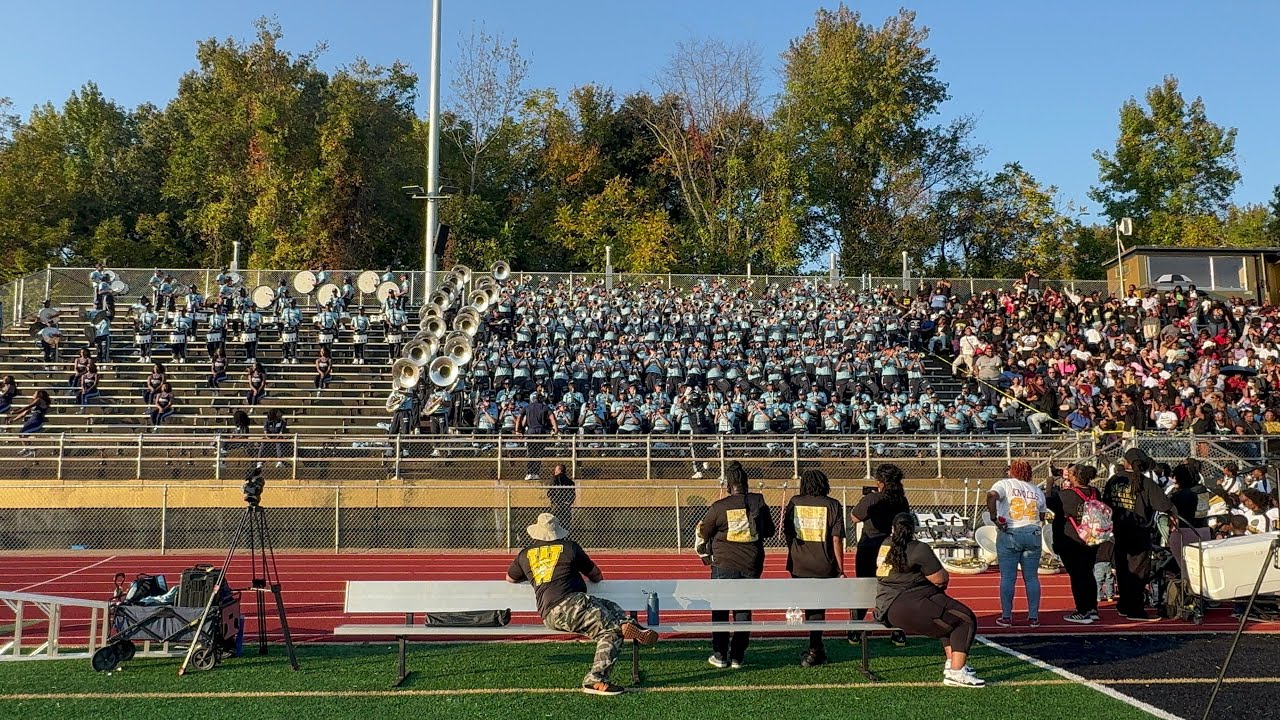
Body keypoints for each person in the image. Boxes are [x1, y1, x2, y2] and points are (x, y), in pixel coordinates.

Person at [506, 513, 657, 696]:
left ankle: (629, 624)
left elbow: (510, 578)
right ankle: (595, 680)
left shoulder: (525, 554)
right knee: (611, 632)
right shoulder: (569, 548)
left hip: (550, 614)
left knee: (609, 605)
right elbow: (596, 575)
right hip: (573, 604)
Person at [875, 512, 984, 688]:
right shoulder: (919, 548)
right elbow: (940, 578)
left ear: (893, 529)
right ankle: (956, 672)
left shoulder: (885, 544)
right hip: (910, 603)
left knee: (946, 620)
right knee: (965, 619)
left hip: (887, 608)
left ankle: (952, 664)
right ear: (913, 529)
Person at [696, 460, 775, 670]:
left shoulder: (719, 506)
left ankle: (720, 654)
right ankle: (738, 656)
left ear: (729, 486)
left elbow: (704, 532)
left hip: (724, 563)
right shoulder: (759, 502)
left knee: (720, 609)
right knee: (743, 609)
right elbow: (769, 531)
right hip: (751, 562)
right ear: (746, 484)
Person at [782, 468, 845, 667]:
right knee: (817, 607)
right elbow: (836, 539)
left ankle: (815, 648)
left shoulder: (795, 502)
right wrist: (841, 568)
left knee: (811, 605)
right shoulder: (833, 504)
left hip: (800, 564)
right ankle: (815, 648)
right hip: (824, 564)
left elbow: (788, 534)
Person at [1102, 447, 1172, 621]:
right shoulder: (1146, 483)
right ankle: (1135, 609)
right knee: (1139, 572)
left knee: (1123, 571)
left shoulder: (1114, 480)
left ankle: (1124, 605)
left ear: (1125, 462)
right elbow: (1164, 505)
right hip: (1139, 533)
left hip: (1118, 531)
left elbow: (1106, 503)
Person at [848, 463, 910, 646]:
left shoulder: (873, 498)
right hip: (892, 547)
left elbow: (854, 517)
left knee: (864, 587)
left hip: (869, 547)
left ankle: (856, 630)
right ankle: (897, 630)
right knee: (892, 588)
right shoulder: (901, 500)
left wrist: (868, 499)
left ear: (879, 482)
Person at [987, 460, 1046, 627]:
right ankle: (1033, 616)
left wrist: (994, 518)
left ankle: (1007, 616)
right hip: (1033, 532)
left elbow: (991, 495)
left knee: (1007, 577)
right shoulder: (1036, 490)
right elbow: (1041, 516)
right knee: (1032, 578)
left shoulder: (1004, 484)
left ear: (1012, 471)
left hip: (1011, 531)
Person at [1047, 464, 1102, 624]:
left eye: (1070, 473)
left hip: (1072, 540)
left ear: (1076, 476)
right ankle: (1092, 608)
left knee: (1077, 576)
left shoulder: (1066, 495)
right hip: (1091, 539)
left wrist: (1050, 485)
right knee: (1088, 573)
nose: (1067, 475)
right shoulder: (1094, 492)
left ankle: (1082, 610)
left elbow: (1048, 503)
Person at [517, 392, 558, 481]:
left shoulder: (527, 407)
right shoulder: (545, 407)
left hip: (531, 431)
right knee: (539, 453)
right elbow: (552, 418)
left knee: (531, 453)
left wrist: (518, 430)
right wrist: (555, 429)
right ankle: (535, 473)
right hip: (541, 432)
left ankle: (529, 473)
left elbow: (519, 417)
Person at [548, 463, 575, 529]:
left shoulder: (555, 478)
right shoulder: (570, 482)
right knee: (566, 524)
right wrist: (568, 502)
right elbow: (573, 494)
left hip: (557, 504)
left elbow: (550, 492)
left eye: (556, 470)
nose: (555, 472)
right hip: (566, 505)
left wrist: (554, 500)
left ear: (559, 470)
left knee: (554, 524)